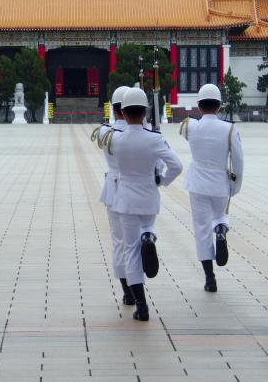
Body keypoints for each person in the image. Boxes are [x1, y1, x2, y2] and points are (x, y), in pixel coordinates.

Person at [106, 87, 183, 321]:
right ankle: (149, 236)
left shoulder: (114, 139)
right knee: (147, 226)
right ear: (145, 111)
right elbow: (177, 165)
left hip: (125, 199)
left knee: (130, 251)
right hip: (149, 196)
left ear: (123, 112)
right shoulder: (154, 138)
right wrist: (161, 180)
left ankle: (142, 306)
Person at [180, 83, 244, 293]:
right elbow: (238, 160)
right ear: (219, 106)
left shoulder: (190, 126)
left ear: (199, 105)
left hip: (198, 182)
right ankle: (221, 230)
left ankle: (209, 277)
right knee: (220, 215)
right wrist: (235, 186)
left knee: (200, 229)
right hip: (219, 182)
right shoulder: (229, 129)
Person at [94, 85, 134, 306]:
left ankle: (126, 290)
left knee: (119, 241)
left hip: (113, 188)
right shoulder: (141, 133)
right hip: (136, 189)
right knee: (134, 242)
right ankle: (138, 288)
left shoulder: (105, 132)